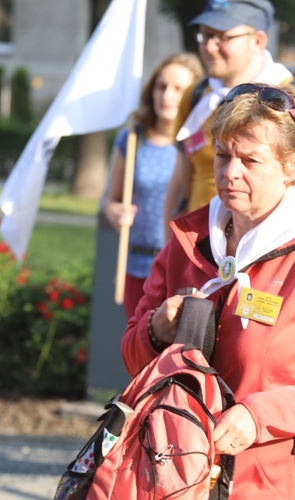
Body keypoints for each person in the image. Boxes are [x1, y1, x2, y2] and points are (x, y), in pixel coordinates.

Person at [122, 83, 295, 500]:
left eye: (250, 161)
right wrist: (155, 330)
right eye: (223, 156)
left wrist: (258, 416)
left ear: (293, 167)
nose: (230, 173)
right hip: (174, 486)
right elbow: (133, 359)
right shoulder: (189, 239)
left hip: (276, 493)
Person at [163, 0, 295, 236]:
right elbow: (179, 186)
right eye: (206, 35)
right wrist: (171, 252)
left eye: (223, 37)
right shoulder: (195, 97)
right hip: (199, 250)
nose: (210, 47)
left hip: (270, 252)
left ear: (257, 40)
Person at [103, 52, 203, 318]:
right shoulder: (133, 138)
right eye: (162, 86)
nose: (167, 95)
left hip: (184, 270)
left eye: (178, 89)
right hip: (138, 265)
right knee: (139, 353)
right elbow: (110, 200)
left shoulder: (201, 143)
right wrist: (115, 211)